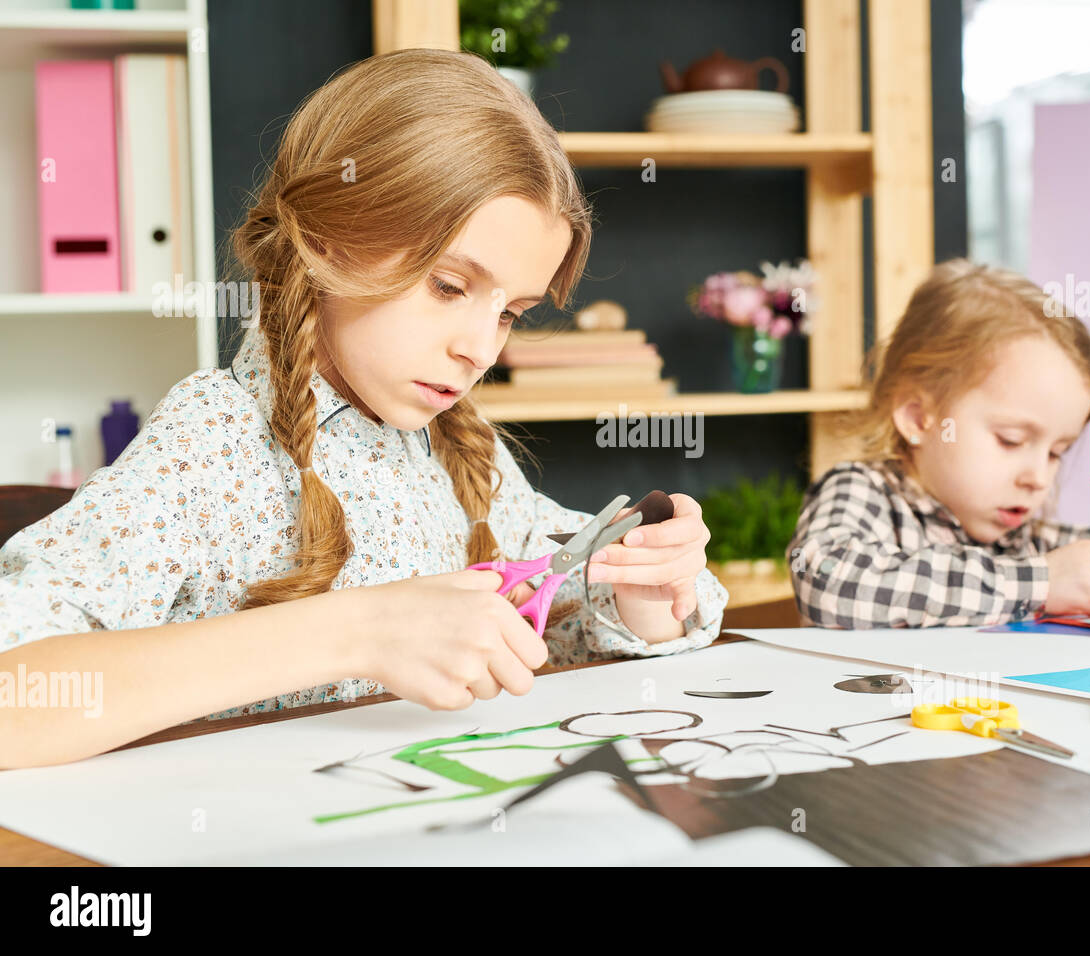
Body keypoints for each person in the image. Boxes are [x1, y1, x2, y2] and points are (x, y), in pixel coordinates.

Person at [0, 49, 726, 768]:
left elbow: (552, 628)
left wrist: (645, 595)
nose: (480, 348)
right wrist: (353, 631)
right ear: (328, 238)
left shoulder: (460, 449)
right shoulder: (214, 440)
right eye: (448, 286)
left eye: (511, 313)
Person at [787, 258, 1090, 629]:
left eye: (1056, 452)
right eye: (1011, 440)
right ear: (919, 418)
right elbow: (828, 577)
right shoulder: (863, 490)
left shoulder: (1017, 539)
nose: (1039, 477)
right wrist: (1040, 582)